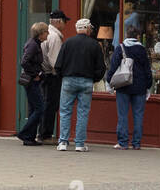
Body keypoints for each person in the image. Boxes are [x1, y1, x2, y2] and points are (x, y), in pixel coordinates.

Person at [52, 17, 106, 151]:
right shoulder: (95, 45)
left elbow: (58, 65)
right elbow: (101, 67)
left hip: (68, 80)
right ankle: (80, 144)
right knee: (83, 112)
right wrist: (95, 79)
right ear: (88, 29)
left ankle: (63, 142)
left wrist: (62, 76)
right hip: (86, 81)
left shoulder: (68, 43)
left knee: (65, 111)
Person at [106, 24, 152, 149]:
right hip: (140, 87)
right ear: (137, 36)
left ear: (126, 35)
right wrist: (148, 85)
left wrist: (109, 81)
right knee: (138, 115)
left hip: (123, 85)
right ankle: (136, 143)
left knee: (123, 115)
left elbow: (113, 66)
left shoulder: (121, 48)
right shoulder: (142, 50)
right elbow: (147, 70)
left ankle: (123, 143)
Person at [14, 21, 50, 146]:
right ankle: (24, 133)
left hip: (32, 80)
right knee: (40, 108)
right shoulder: (33, 45)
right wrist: (36, 74)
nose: (48, 34)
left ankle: (29, 138)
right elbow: (24, 62)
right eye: (46, 31)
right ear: (41, 33)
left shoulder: (35, 44)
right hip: (31, 81)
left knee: (34, 108)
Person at [37, 9, 69, 142]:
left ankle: (42, 133)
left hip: (43, 74)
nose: (66, 25)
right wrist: (59, 74)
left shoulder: (47, 34)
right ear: (59, 22)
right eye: (65, 21)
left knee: (46, 103)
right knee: (50, 105)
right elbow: (54, 60)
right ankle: (46, 135)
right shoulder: (55, 37)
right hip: (51, 76)